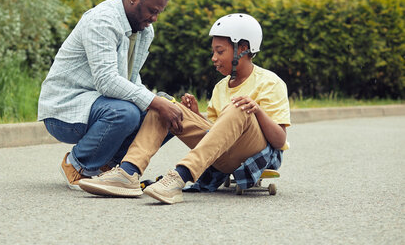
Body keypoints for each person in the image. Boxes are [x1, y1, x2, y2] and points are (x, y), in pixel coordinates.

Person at [78, 13, 291, 204]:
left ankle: (179, 176)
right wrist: (196, 116)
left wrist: (257, 110)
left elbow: (280, 141)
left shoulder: (270, 82)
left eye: (220, 51)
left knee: (239, 106)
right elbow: (218, 135)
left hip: (253, 152)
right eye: (213, 52)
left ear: (243, 48)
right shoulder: (220, 87)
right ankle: (128, 172)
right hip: (223, 157)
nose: (213, 58)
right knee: (164, 105)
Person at [38, 0, 183, 191]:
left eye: (158, 13)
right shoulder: (102, 20)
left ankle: (112, 169)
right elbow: (107, 81)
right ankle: (78, 165)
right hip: (64, 110)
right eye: (152, 11)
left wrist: (161, 103)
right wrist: (154, 101)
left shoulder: (145, 30)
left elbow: (131, 81)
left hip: (101, 104)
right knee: (127, 112)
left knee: (169, 111)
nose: (155, 18)